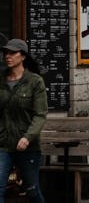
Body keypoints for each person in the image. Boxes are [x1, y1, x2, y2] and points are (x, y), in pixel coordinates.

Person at [1, 38, 45, 203]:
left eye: (12, 52)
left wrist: (28, 137)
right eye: (6, 52)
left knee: (31, 190)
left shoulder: (35, 82)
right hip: (3, 144)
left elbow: (40, 115)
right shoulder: (1, 81)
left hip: (28, 146)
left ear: (23, 56)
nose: (7, 56)